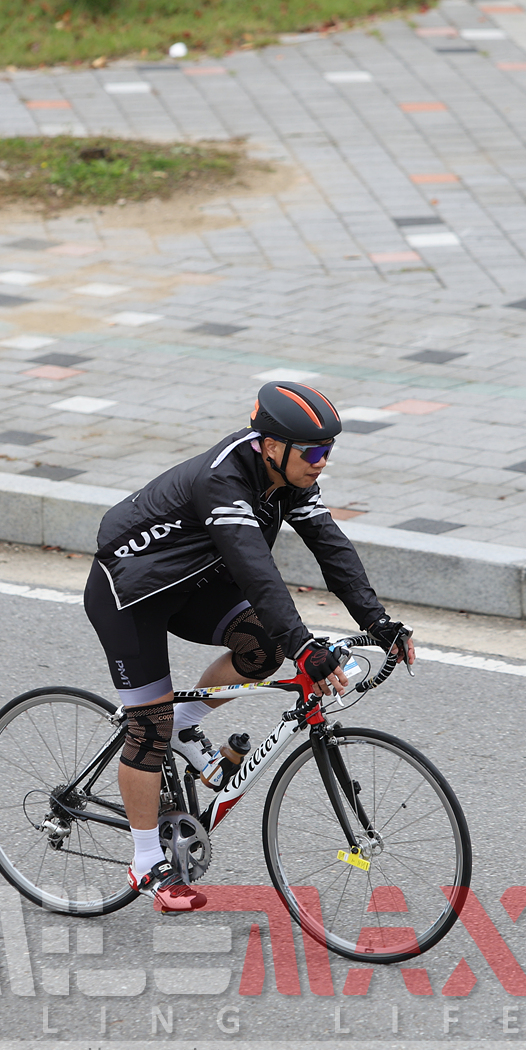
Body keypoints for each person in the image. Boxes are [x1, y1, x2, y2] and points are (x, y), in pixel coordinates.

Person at [85, 380, 415, 912]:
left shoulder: (287, 476)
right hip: (132, 596)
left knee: (262, 649)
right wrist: (306, 647)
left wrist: (378, 622)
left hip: (194, 584)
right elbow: (258, 573)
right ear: (272, 446)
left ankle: (186, 722)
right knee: (149, 727)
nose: (322, 463)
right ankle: (146, 860)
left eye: (329, 450)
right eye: (313, 453)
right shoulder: (223, 481)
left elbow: (331, 546)